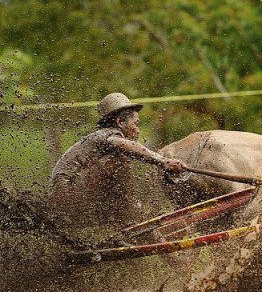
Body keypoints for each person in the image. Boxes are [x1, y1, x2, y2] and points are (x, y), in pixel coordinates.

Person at [48, 92, 187, 242]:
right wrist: (162, 161)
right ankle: (131, 218)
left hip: (74, 197)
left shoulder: (99, 141)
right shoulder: (108, 134)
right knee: (120, 158)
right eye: (136, 124)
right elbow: (122, 144)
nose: (138, 130)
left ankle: (132, 218)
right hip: (68, 194)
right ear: (120, 121)